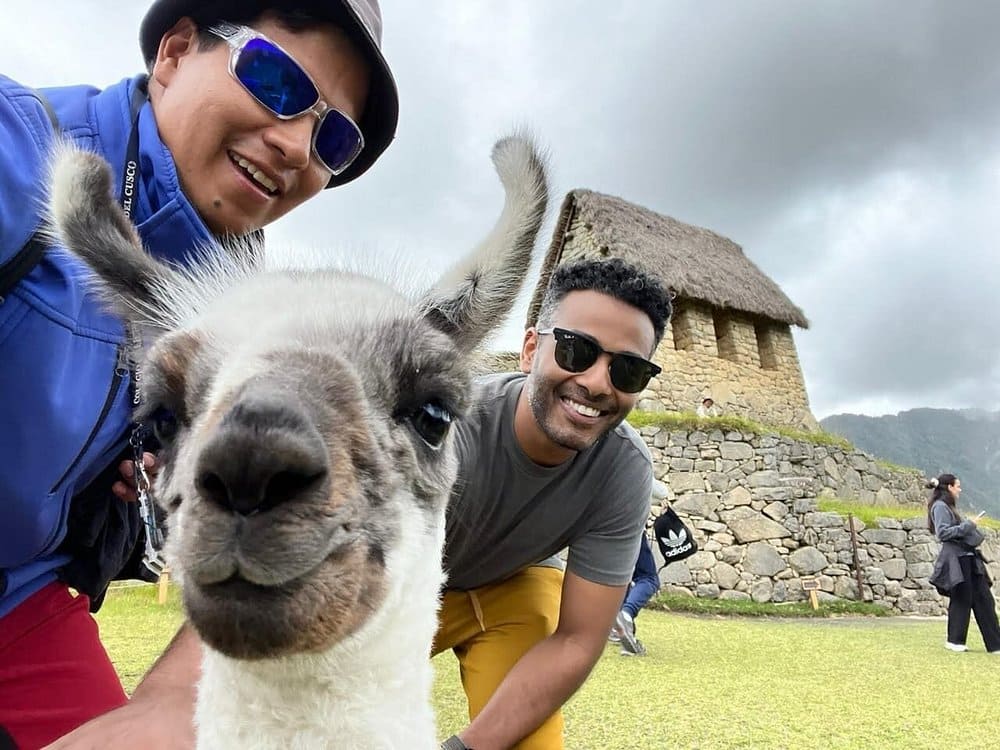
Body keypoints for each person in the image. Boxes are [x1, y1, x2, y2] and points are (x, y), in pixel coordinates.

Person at [0, 1, 397, 747]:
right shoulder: (15, 150)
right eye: (275, 81)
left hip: (21, 597)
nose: (294, 145)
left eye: (333, 137)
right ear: (176, 52)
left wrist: (175, 693)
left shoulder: (233, 304)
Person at [435, 257, 672, 750]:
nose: (597, 383)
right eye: (576, 349)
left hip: (515, 587)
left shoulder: (623, 470)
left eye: (628, 370)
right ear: (529, 350)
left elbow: (579, 639)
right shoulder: (449, 427)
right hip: (406, 591)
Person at [926, 474, 1000, 654]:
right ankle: (955, 640)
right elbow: (943, 533)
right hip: (957, 559)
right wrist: (970, 524)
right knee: (961, 599)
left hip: (968, 558)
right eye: (957, 486)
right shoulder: (940, 507)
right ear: (950, 487)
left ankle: (995, 644)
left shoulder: (949, 507)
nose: (960, 489)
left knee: (984, 599)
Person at [607, 533, 660, 656]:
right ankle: (626, 615)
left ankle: (616, 627)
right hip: (626, 523)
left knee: (621, 574)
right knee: (649, 578)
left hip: (595, 528)